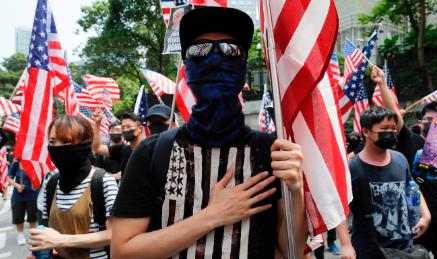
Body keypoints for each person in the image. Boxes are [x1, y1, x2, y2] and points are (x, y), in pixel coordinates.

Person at [110, 7, 308, 258]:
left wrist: (296, 190)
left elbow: (291, 249)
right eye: (199, 49)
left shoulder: (271, 152)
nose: (215, 57)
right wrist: (211, 217)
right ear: (186, 67)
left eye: (230, 49)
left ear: (244, 64)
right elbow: (121, 251)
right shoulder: (152, 153)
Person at [376, 65, 437, 258]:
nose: (432, 123)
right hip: (417, 221)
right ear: (420, 122)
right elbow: (394, 114)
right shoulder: (411, 142)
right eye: (428, 119)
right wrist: (381, 84)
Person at [28, 115, 118, 259]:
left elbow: (114, 234)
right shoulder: (51, 182)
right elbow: (46, 230)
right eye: (52, 142)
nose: (57, 148)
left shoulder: (103, 182)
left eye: (65, 141)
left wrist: (61, 240)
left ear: (84, 144)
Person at [349, 106, 431, 259]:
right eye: (384, 128)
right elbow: (339, 209)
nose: (391, 132)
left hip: (405, 248)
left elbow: (412, 188)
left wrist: (425, 216)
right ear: (366, 132)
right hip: (370, 250)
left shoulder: (399, 159)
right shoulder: (353, 168)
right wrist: (345, 245)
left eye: (393, 129)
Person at [92, 111, 144, 177]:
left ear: (140, 129)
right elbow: (97, 147)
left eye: (129, 126)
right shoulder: (122, 149)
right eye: (123, 128)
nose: (125, 130)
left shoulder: (150, 149)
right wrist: (97, 123)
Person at [8, 158, 39, 245]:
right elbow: (9, 179)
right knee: (18, 216)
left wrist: (35, 183)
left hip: (32, 195)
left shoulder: (35, 162)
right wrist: (17, 186)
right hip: (18, 196)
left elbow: (40, 176)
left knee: (33, 216)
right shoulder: (16, 163)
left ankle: (32, 234)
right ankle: (20, 235)